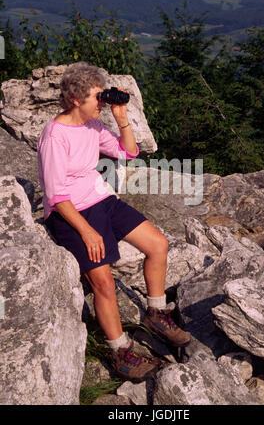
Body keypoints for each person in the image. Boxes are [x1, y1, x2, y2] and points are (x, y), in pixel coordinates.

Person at [37, 62, 190, 383]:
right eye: (98, 98)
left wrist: (121, 120)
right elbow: (55, 194)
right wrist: (87, 230)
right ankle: (120, 352)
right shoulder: (55, 136)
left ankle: (156, 313)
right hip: (71, 213)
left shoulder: (92, 125)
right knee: (104, 283)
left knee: (158, 245)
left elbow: (129, 152)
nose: (102, 103)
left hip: (102, 201)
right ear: (76, 100)